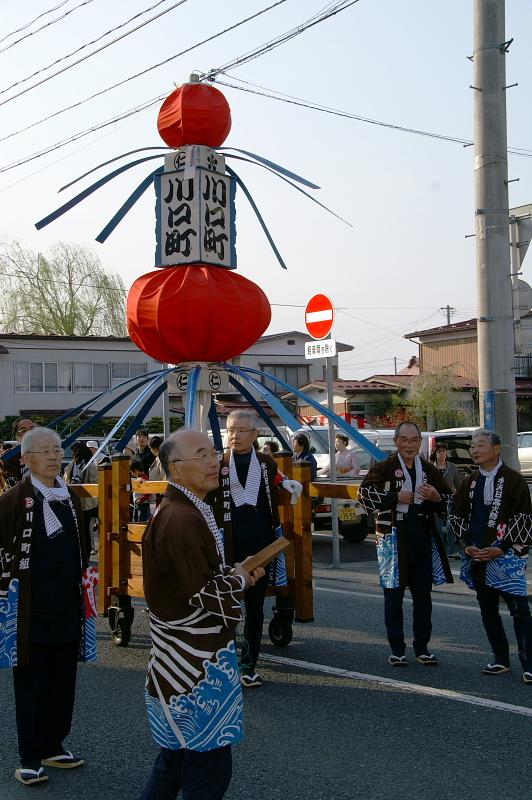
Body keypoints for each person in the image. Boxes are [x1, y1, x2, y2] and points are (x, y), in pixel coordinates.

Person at [140, 429, 264, 800]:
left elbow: (198, 581)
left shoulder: (186, 509)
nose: (214, 462)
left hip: (181, 667)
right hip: (194, 669)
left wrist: (236, 576)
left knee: (176, 763)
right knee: (206, 771)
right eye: (203, 456)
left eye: (214, 453)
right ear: (175, 469)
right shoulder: (181, 518)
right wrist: (241, 578)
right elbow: (203, 593)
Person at [0, 427, 96, 786]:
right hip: (29, 607)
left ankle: (54, 744)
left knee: (62, 679)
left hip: (66, 602)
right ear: (26, 459)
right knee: (30, 682)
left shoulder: (70, 497)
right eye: (46, 451)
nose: (55, 456)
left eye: (58, 450)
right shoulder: (14, 499)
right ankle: (29, 756)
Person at [212, 410, 298, 689]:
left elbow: (281, 481)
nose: (234, 436)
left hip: (262, 545)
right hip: (228, 545)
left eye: (241, 430)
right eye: (230, 430)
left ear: (255, 434)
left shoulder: (266, 463)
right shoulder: (216, 462)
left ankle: (248, 666)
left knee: (256, 607)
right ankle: (222, 665)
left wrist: (287, 484)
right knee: (226, 606)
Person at [359, 421, 453, 666]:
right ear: (396, 441)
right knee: (394, 596)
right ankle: (397, 649)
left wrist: (436, 497)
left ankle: (422, 647)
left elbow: (449, 499)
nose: (409, 445)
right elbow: (364, 495)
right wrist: (394, 497)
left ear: (420, 442)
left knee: (423, 597)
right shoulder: (385, 466)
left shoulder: (428, 468)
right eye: (404, 440)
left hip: (422, 536)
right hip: (392, 538)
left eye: (414, 440)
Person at [449, 429, 532, 683]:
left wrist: (502, 547)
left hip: (506, 557)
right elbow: (457, 514)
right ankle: (500, 659)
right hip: (478, 555)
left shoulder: (514, 479)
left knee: (519, 610)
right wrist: (465, 544)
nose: (475, 449)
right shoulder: (470, 481)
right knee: (488, 610)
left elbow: (523, 518)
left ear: (497, 449)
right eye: (473, 445)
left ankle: (529, 664)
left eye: (481, 445)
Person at [63, 442, 99, 553]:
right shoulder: (72, 465)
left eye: (75, 451)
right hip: (76, 502)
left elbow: (95, 484)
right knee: (80, 529)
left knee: (84, 529)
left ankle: (86, 551)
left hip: (86, 503)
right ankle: (81, 550)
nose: (74, 454)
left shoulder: (89, 466)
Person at [430, 442, 461, 559]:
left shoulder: (452, 466)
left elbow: (457, 484)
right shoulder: (431, 466)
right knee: (437, 527)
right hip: (435, 499)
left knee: (451, 524)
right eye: (439, 452)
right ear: (435, 453)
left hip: (450, 499)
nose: (442, 454)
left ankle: (453, 550)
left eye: (444, 451)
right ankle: (440, 550)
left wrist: (460, 498)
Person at [0, 418, 35, 494]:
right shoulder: (9, 456)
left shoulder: (47, 452)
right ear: (16, 435)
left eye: (32, 429)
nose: (29, 433)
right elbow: (12, 489)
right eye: (23, 430)